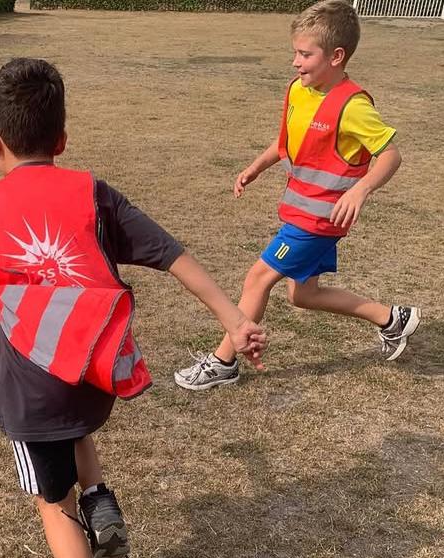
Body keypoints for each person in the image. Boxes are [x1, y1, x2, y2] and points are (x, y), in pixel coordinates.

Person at [0, 58, 267, 558]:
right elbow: (170, 253)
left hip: (32, 390)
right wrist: (233, 320)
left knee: (51, 503)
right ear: (63, 139)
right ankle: (97, 493)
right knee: (74, 429)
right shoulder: (92, 193)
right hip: (95, 374)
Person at [175, 0, 420, 392]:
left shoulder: (353, 105)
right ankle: (391, 318)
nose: (295, 62)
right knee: (302, 294)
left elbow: (391, 154)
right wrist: (255, 167)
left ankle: (223, 361)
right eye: (295, 52)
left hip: (319, 221)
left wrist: (361, 189)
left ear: (337, 56)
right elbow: (286, 142)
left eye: (305, 54)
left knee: (257, 278)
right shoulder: (298, 90)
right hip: (300, 213)